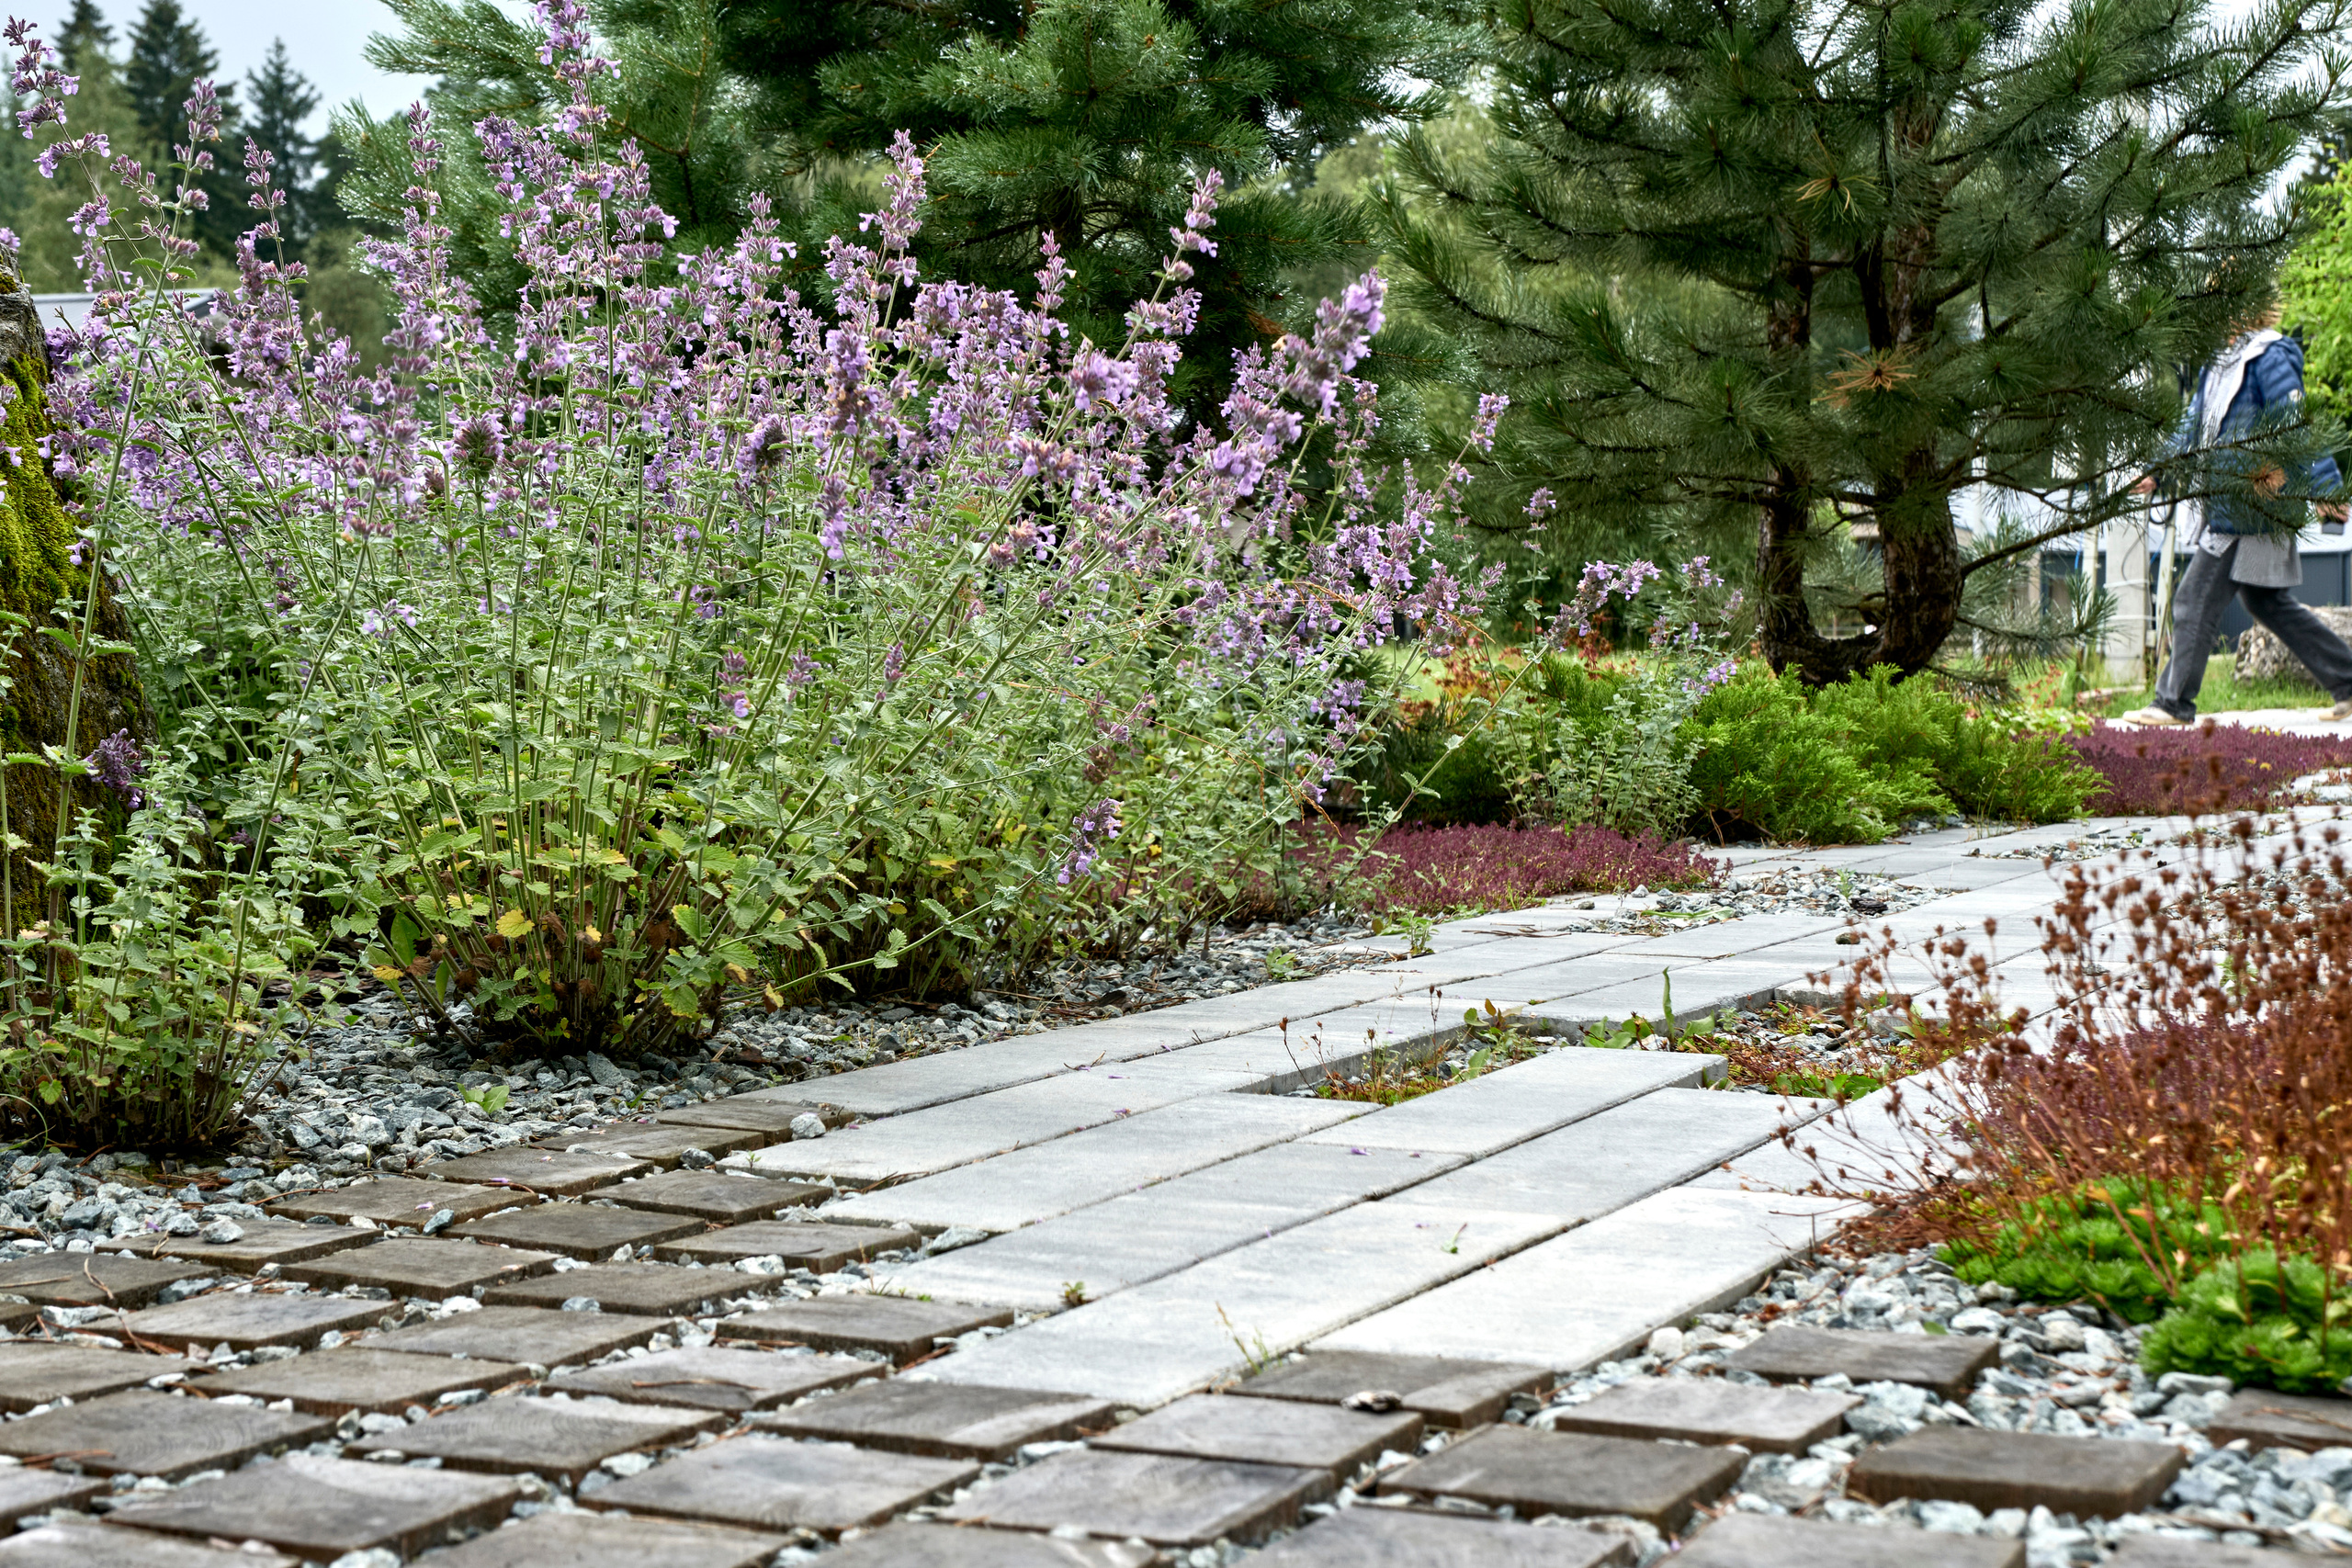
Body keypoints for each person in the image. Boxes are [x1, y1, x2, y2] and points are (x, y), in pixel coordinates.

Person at [2119, 304, 2352, 726]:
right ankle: (2350, 683)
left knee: (2195, 597)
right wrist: (2156, 468)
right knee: (2266, 602)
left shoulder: (2269, 355)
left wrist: (2324, 486)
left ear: (2246, 307)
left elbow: (2294, 423)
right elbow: (2193, 427)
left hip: (2253, 504)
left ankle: (2172, 704)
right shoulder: (2220, 366)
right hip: (2232, 504)